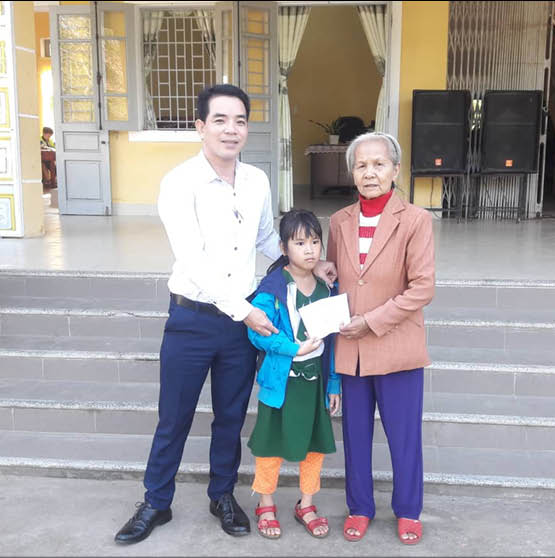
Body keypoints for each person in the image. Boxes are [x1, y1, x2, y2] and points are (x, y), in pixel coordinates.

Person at [114, 84, 336, 545]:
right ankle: (156, 501)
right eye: (220, 120)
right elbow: (192, 259)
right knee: (174, 417)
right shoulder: (179, 183)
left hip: (240, 325)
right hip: (192, 320)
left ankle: (222, 496)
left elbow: (265, 239)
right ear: (201, 126)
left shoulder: (256, 181)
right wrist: (245, 311)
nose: (231, 129)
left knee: (230, 417)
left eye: (239, 121)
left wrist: (306, 262)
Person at [326, 132, 435, 545]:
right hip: (351, 351)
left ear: (395, 170)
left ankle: (408, 510)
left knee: (404, 436)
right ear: (352, 172)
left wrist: (371, 322)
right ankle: (359, 507)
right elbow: (334, 276)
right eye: (361, 165)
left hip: (396, 345)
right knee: (355, 436)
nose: (369, 173)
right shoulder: (339, 221)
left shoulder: (416, 220)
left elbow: (422, 288)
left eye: (378, 164)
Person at [245, 209, 341, 540]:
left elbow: (333, 341)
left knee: (314, 447)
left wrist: (334, 382)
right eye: (300, 243)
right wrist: (292, 349)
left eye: (314, 241)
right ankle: (265, 503)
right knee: (270, 445)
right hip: (280, 383)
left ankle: (307, 504)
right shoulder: (273, 288)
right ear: (284, 248)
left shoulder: (327, 288)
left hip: (314, 383)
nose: (310, 250)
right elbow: (256, 333)